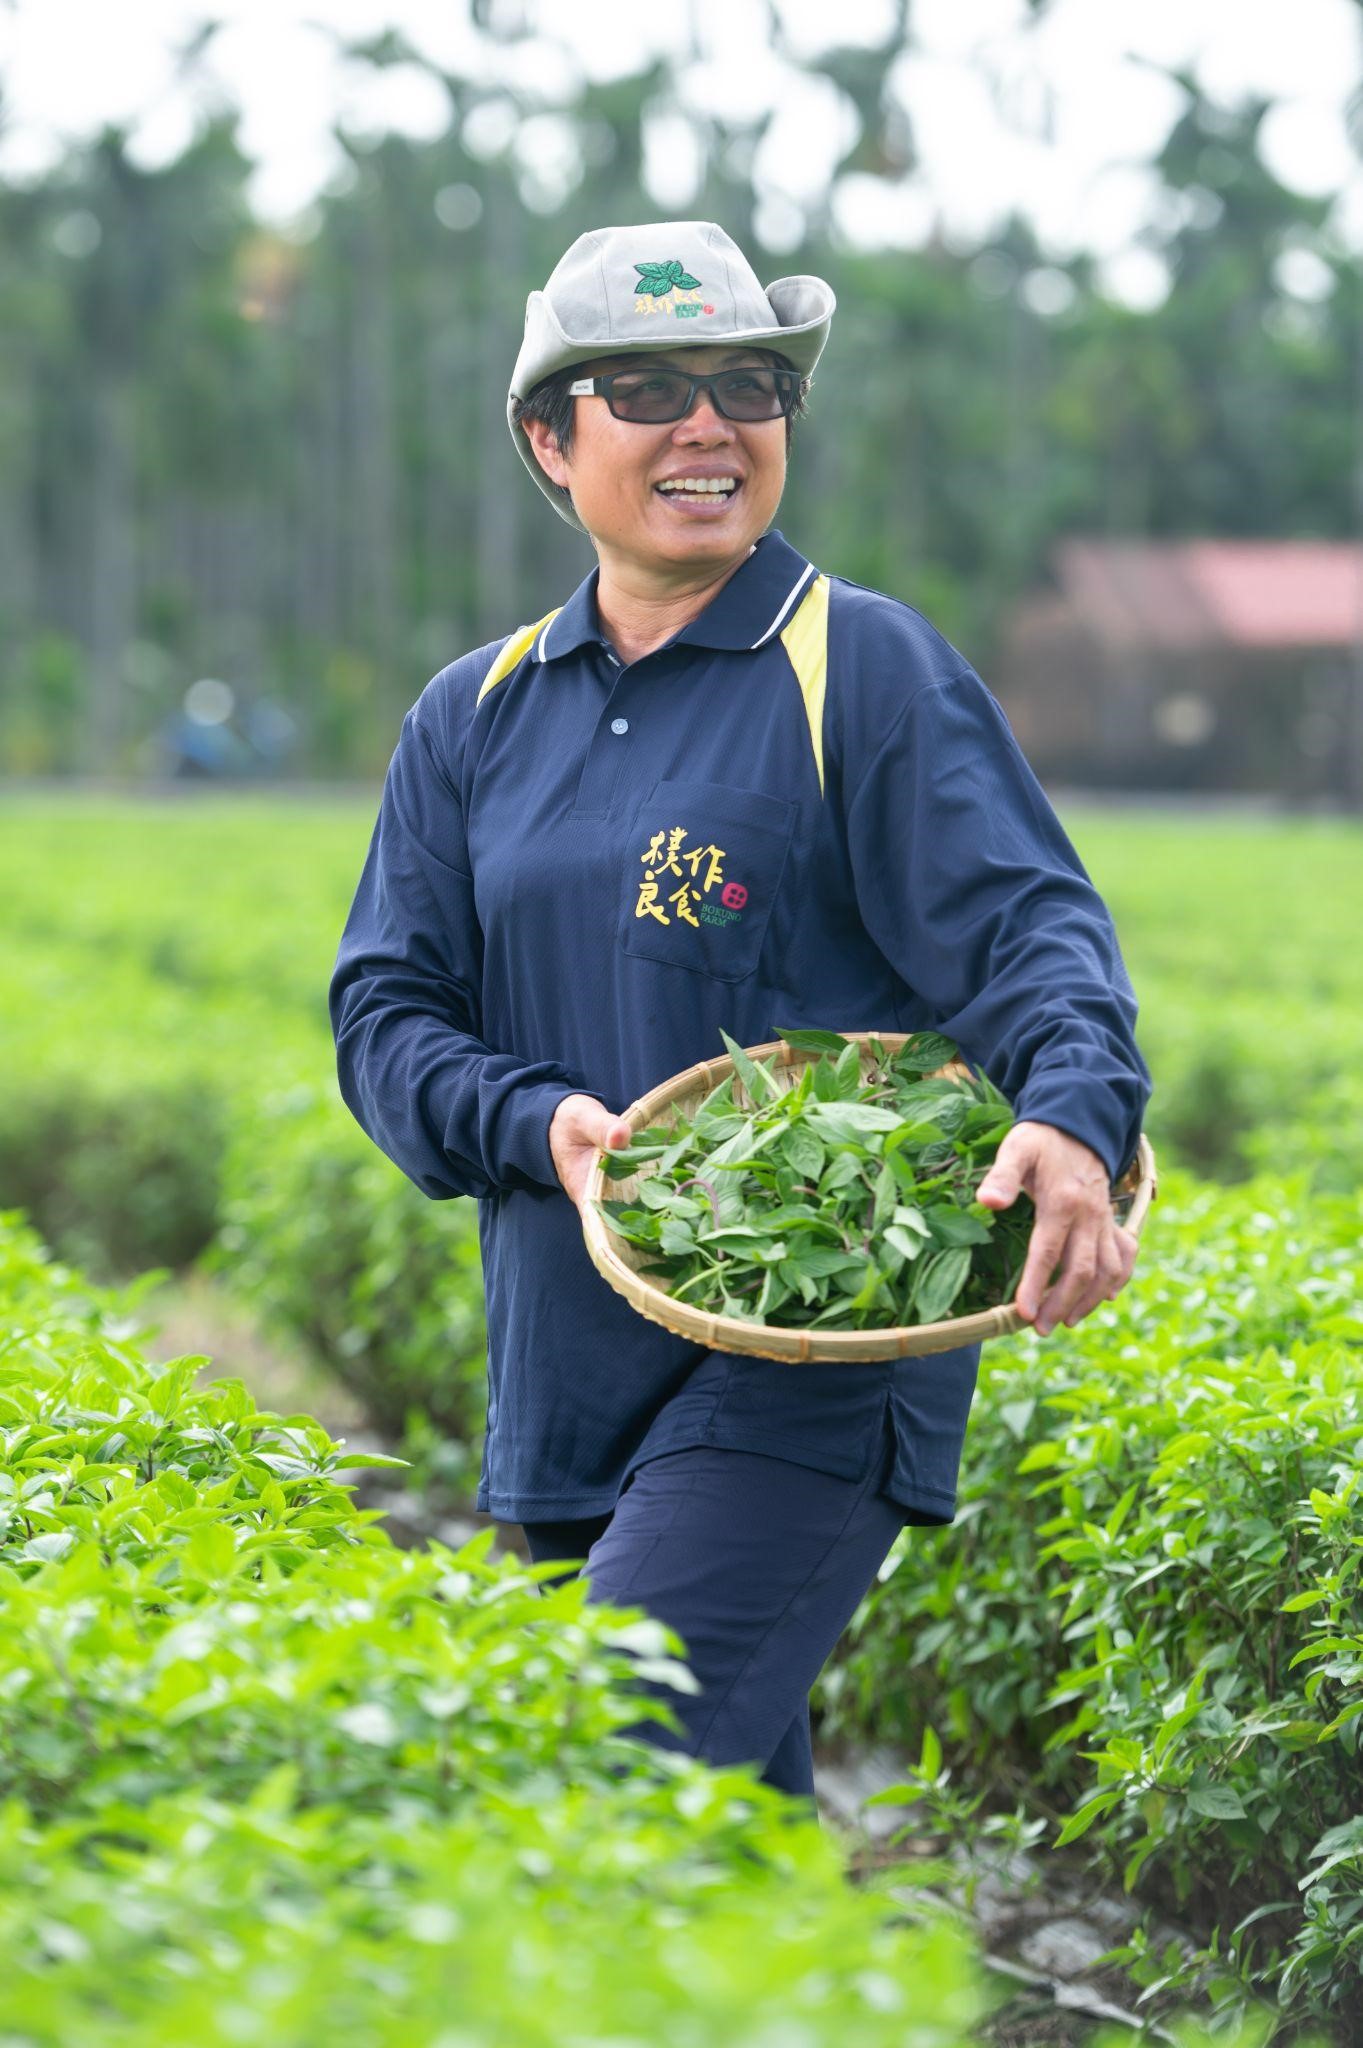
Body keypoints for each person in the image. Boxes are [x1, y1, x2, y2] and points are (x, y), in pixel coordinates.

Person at [328, 218, 1152, 1807]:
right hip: (569, 1368)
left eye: (748, 383)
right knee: (714, 1847)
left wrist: (1072, 1111)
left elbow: (1030, 927)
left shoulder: (867, 666)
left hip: (816, 1356)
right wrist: (535, 1125)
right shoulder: (475, 714)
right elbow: (387, 1013)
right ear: (549, 442)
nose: (709, 422)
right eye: (645, 386)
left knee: (616, 1778)